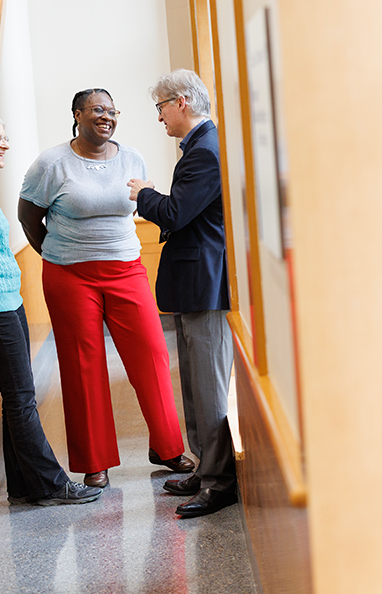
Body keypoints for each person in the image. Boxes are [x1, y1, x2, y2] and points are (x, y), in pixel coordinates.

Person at [18, 88, 194, 489]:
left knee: (150, 354)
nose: (107, 116)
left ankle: (167, 447)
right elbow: (28, 216)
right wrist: (55, 254)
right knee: (83, 365)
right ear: (77, 114)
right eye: (98, 110)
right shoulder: (52, 163)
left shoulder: (131, 157)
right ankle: (94, 461)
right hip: (69, 275)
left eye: (112, 110)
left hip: (126, 270)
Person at [0, 110, 101, 506]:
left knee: (17, 398)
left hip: (8, 304)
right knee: (22, 398)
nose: (5, 144)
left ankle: (23, 486)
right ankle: (52, 485)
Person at [128, 69, 237, 517]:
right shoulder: (198, 147)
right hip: (194, 283)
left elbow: (175, 213)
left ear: (183, 102)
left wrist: (145, 193)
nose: (159, 118)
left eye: (161, 107)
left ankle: (219, 483)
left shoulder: (205, 151)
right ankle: (203, 467)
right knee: (193, 384)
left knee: (208, 388)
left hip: (205, 286)